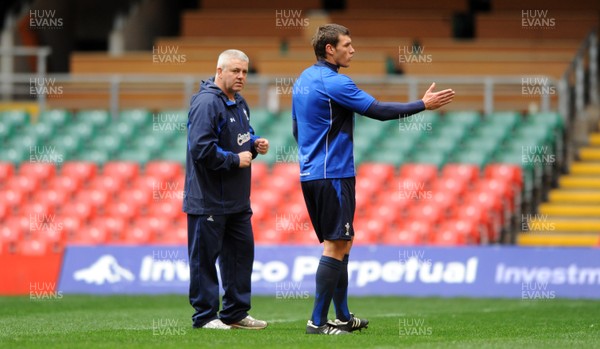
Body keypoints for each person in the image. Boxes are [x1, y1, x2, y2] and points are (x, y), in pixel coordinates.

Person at [292, 24, 455, 335]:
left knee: (343, 241)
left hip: (313, 173)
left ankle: (342, 316)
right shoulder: (334, 82)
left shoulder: (303, 79)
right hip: (333, 174)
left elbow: (297, 128)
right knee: (336, 244)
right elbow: (378, 110)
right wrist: (423, 105)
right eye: (347, 45)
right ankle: (316, 322)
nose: (352, 50)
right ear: (330, 49)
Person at [184, 49, 270, 330]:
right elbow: (201, 149)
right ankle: (206, 316)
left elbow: (241, 138)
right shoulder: (207, 102)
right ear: (219, 71)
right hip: (208, 199)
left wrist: (254, 145)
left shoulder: (240, 102)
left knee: (240, 257)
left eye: (245, 71)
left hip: (237, 200)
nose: (241, 76)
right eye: (235, 71)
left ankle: (234, 313)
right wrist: (235, 159)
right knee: (204, 261)